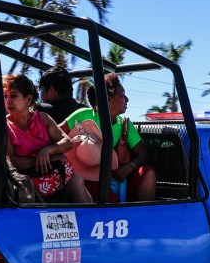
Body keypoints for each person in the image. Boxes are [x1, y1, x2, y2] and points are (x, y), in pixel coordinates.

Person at [61, 72, 157, 202]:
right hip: (83, 175)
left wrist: (129, 168)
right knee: (113, 205)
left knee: (148, 173)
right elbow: (55, 133)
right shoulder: (83, 115)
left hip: (115, 177)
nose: (127, 99)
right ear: (109, 100)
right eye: (122, 95)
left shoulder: (125, 125)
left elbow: (142, 153)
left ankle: (144, 216)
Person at [4, 74, 92, 203]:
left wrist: (48, 150)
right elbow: (11, 160)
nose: (8, 101)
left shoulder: (43, 119)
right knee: (25, 189)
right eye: (6, 96)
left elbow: (67, 142)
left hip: (54, 181)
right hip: (28, 185)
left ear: (28, 99)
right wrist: (41, 159)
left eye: (13, 95)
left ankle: (91, 221)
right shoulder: (5, 127)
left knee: (77, 180)